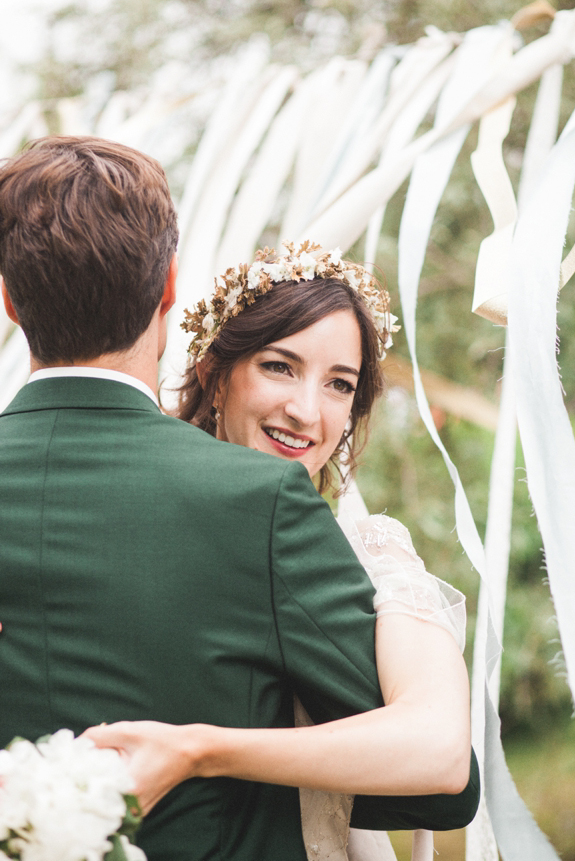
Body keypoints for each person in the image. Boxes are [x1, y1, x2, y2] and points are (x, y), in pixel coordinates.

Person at [0, 137, 478, 861]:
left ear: (7, 295)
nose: (305, 411)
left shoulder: (344, 537)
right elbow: (442, 775)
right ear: (168, 286)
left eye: (340, 384)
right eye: (279, 366)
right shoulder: (260, 505)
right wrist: (199, 751)